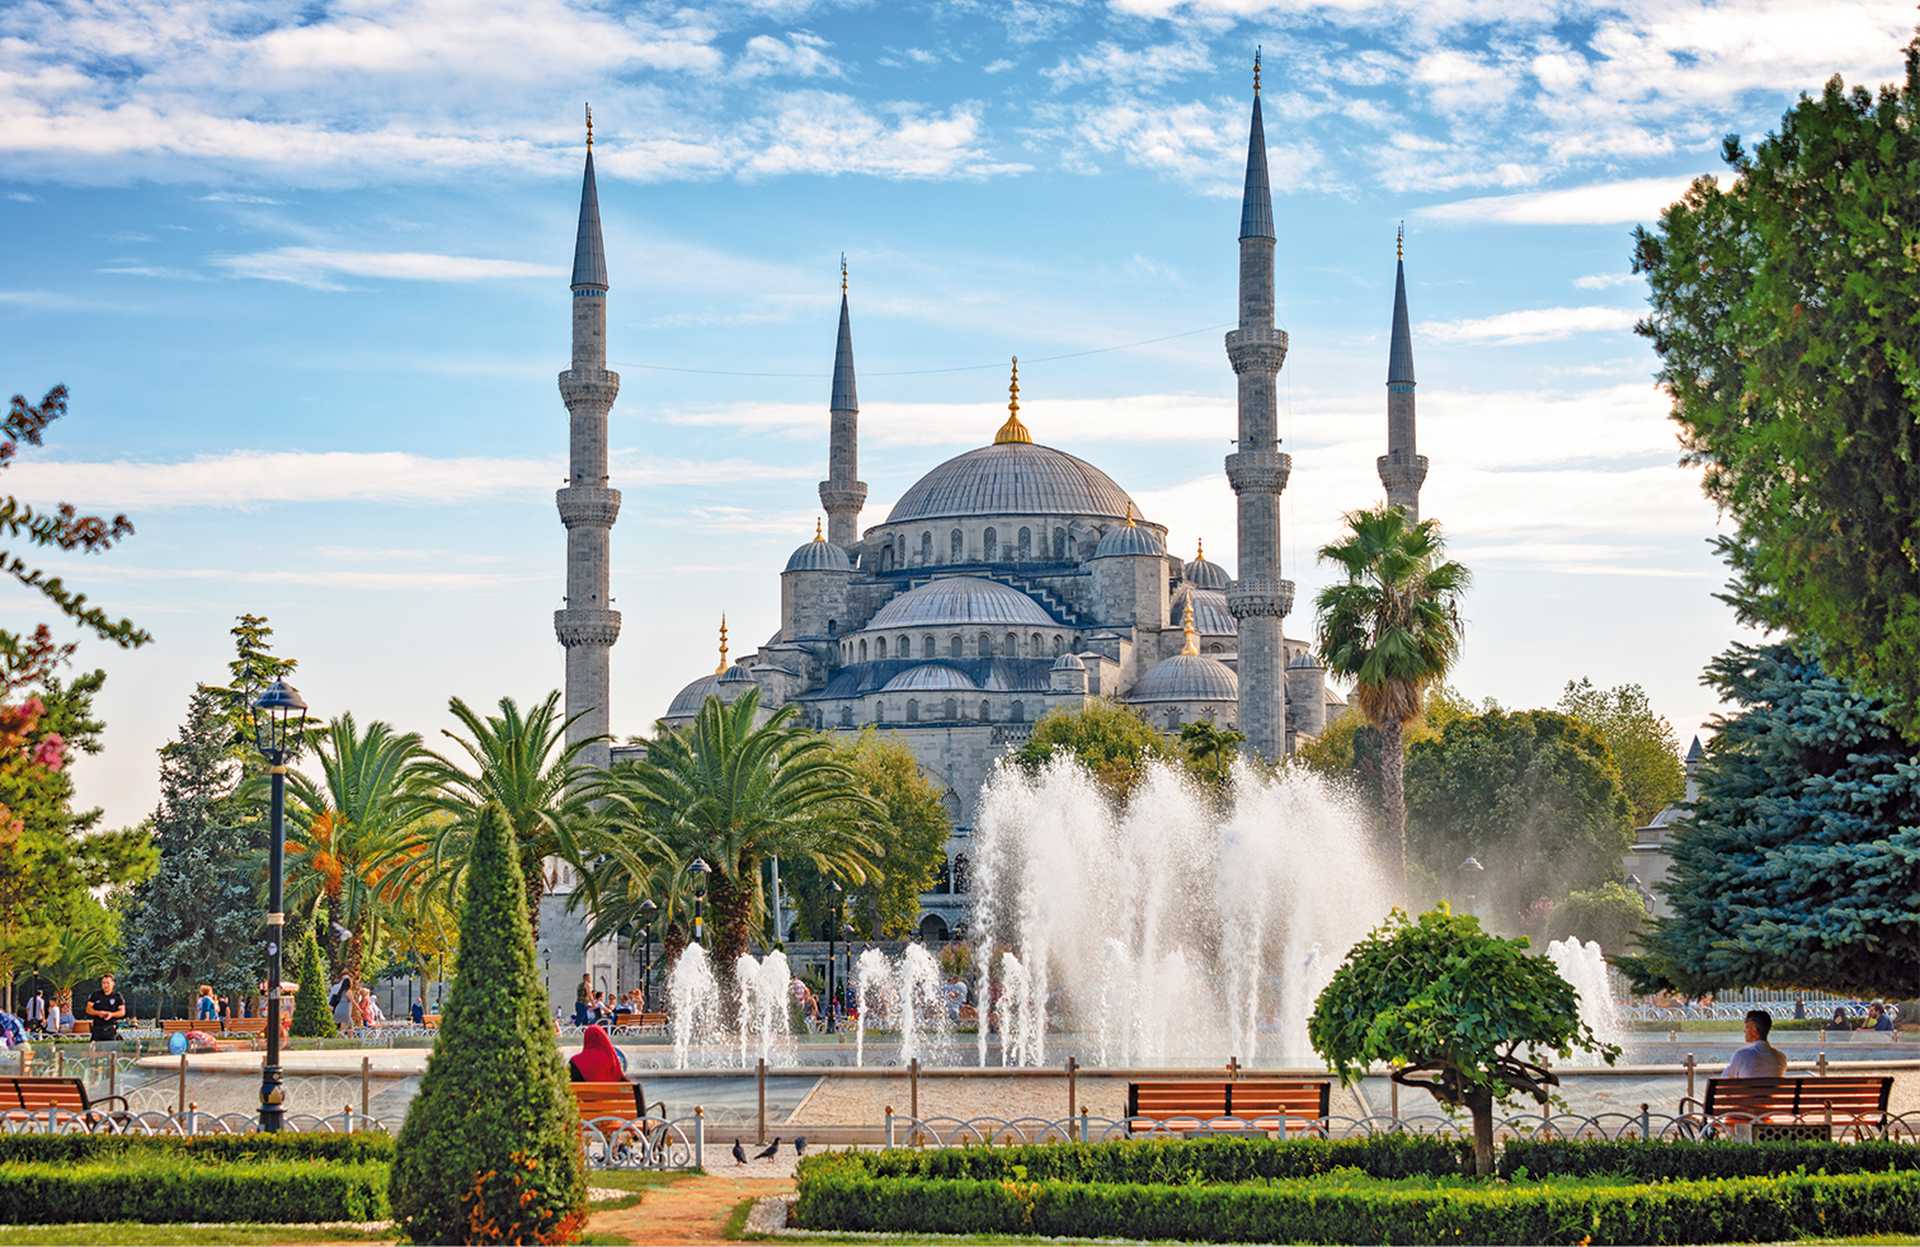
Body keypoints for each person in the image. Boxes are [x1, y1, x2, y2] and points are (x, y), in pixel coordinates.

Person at [1720, 1009, 1789, 1078]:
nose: (1744, 1031)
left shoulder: (1742, 1055)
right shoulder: (1781, 1058)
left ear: (1754, 1030)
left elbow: (1723, 1080)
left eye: (1747, 1027)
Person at [84, 973, 127, 1049]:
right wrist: (98, 1013)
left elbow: (122, 1012)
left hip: (110, 1029)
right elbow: (88, 1009)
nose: (105, 985)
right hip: (97, 1029)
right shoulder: (95, 995)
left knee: (110, 1052)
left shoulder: (117, 996)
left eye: (108, 983)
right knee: (93, 1052)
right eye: (103, 983)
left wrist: (111, 1014)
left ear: (113, 983)